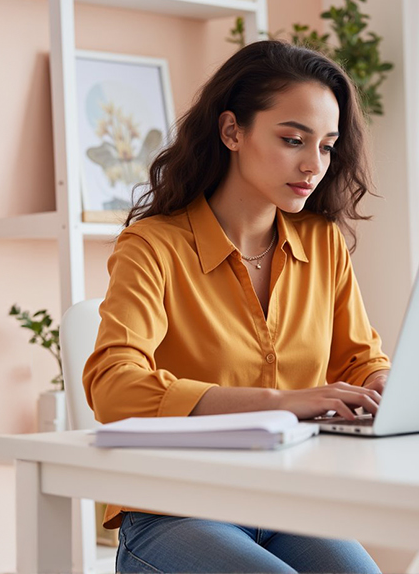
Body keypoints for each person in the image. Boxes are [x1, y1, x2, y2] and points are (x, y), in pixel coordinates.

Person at [83, 39, 388, 574]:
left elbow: (359, 361)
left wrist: (387, 388)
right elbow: (113, 387)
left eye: (327, 146)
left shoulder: (322, 243)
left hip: (289, 503)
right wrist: (280, 401)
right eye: (293, 139)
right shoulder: (154, 246)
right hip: (173, 510)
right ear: (232, 132)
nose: (313, 164)